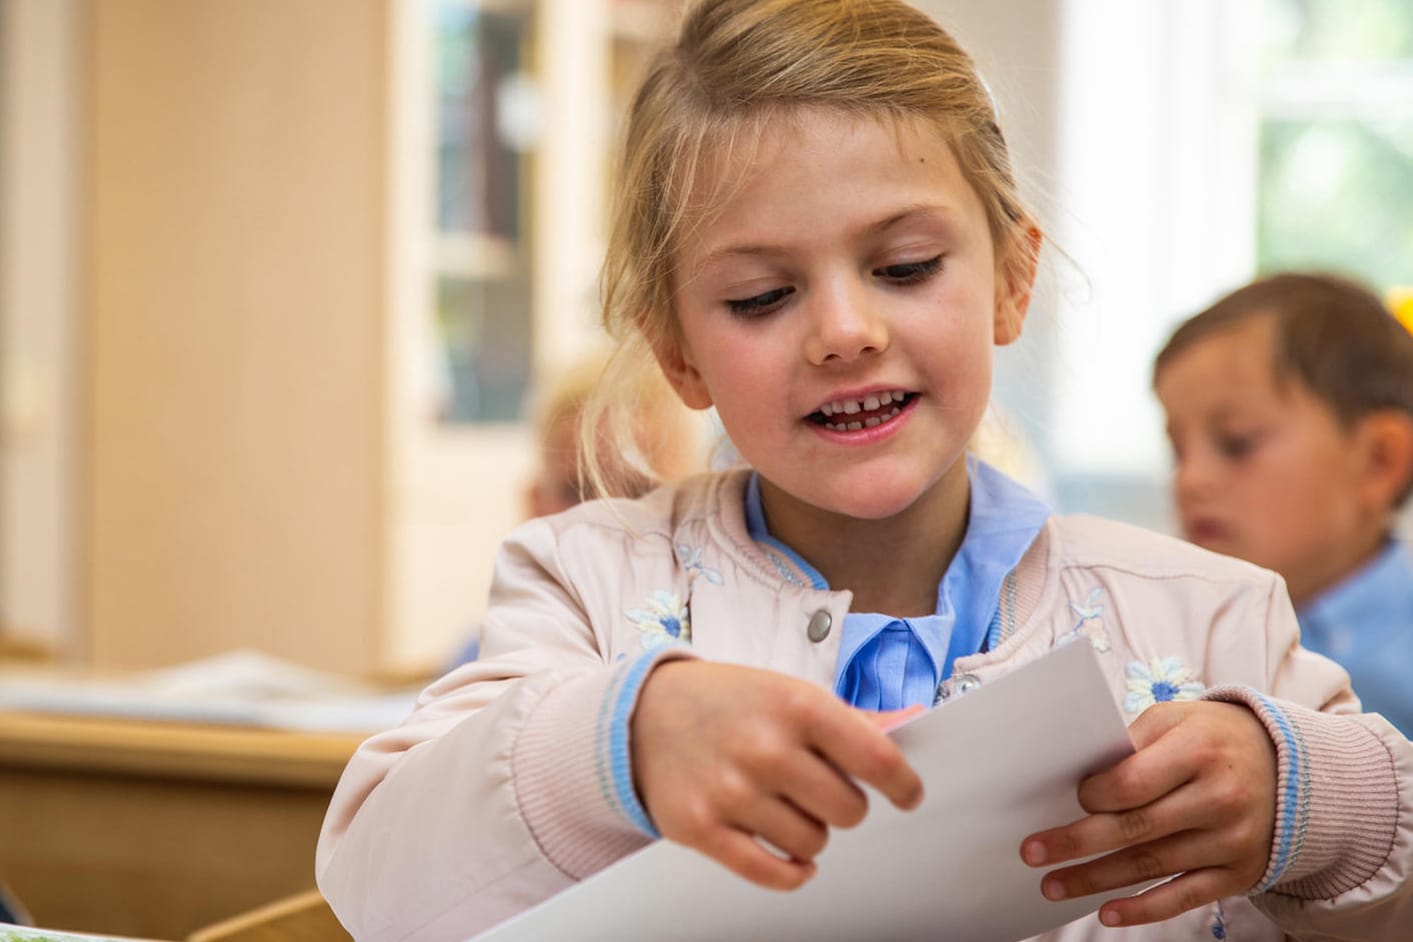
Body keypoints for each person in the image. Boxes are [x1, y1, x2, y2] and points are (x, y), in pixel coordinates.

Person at [316, 2, 1413, 939]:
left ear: (1009, 279)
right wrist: (623, 741)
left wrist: (1311, 805)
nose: (844, 331)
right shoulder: (582, 587)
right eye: (760, 296)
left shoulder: (1211, 620)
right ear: (679, 350)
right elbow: (380, 888)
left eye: (903, 267)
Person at [1153, 272, 1413, 737]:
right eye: (1178, 452)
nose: (1189, 480)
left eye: (1236, 444)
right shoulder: (1166, 634)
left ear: (1378, 461)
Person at [448, 351, 704, 666]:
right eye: (578, 492)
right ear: (535, 506)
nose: (604, 522)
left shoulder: (725, 647)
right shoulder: (490, 660)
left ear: (701, 507)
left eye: (639, 493)